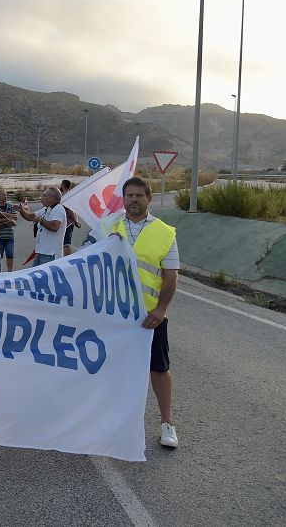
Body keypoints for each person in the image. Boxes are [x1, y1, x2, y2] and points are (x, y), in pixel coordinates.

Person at [103, 177, 181, 449]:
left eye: (139, 195)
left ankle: (167, 424)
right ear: (123, 199)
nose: (133, 200)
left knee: (159, 368)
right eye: (129, 195)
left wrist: (161, 309)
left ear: (149, 198)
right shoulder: (108, 226)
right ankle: (111, 422)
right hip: (112, 314)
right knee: (111, 368)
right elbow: (87, 263)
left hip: (149, 317)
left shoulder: (164, 232)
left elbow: (171, 276)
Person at [18, 186, 65, 266]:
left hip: (50, 254)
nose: (41, 197)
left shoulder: (58, 209)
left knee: (47, 278)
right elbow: (30, 216)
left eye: (44, 195)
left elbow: (55, 227)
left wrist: (40, 220)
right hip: (40, 252)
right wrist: (21, 210)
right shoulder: (46, 209)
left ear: (52, 199)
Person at [0, 190, 18, 272]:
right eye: (3, 195)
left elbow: (16, 216)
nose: (5, 197)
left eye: (6, 195)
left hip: (9, 235)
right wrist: (8, 220)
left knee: (10, 255)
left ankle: (10, 272)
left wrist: (3, 218)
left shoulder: (10, 205)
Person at [59, 179, 81, 256]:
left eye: (61, 184)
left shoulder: (65, 196)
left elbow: (69, 211)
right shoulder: (70, 194)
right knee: (64, 242)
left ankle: (67, 260)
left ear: (63, 185)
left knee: (66, 243)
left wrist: (75, 222)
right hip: (66, 222)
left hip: (68, 222)